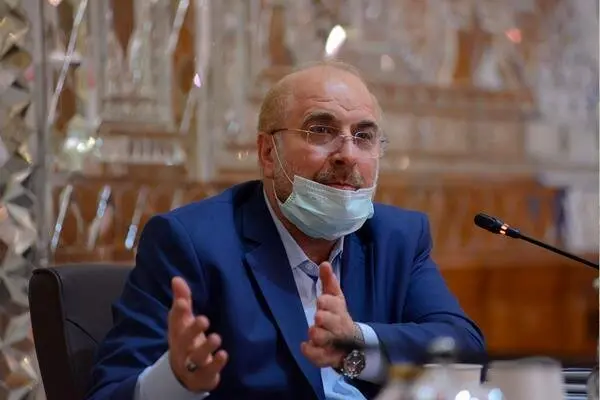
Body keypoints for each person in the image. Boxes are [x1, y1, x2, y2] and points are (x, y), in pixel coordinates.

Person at [86, 61, 485, 400]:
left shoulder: (397, 237)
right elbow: (110, 391)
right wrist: (177, 379)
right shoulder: (190, 243)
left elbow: (464, 348)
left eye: (363, 136)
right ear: (267, 153)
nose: (347, 155)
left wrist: (356, 343)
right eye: (321, 131)